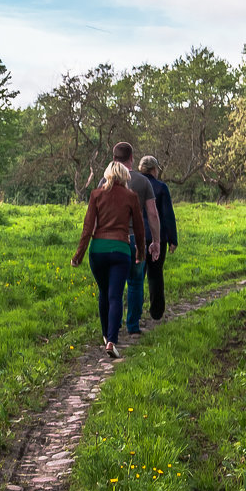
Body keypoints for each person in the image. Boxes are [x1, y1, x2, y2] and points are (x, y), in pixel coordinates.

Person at [72, 161, 146, 358]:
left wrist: (78, 256)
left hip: (98, 251)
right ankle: (111, 340)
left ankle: (106, 335)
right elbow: (139, 229)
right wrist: (140, 253)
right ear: (125, 177)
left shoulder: (96, 195)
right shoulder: (131, 196)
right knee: (115, 295)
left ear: (107, 175)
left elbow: (88, 228)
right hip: (121, 251)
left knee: (104, 293)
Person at [111, 142, 159, 335]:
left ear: (114, 159)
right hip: (136, 240)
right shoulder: (142, 182)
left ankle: (113, 325)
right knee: (136, 282)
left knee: (115, 285)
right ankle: (133, 325)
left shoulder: (104, 181)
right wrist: (156, 241)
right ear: (132, 158)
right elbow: (153, 214)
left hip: (114, 240)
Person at [137, 155, 177, 320]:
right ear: (154, 169)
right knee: (155, 275)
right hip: (157, 237)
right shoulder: (161, 187)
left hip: (137, 235)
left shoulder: (134, 185)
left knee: (137, 277)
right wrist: (173, 239)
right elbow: (167, 215)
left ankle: (135, 314)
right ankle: (156, 312)